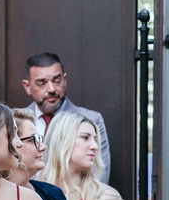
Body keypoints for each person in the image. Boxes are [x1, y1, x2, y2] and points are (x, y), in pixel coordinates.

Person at [17, 52, 112, 184]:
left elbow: (99, 175)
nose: (51, 89)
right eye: (41, 83)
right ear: (27, 86)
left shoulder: (91, 119)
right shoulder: (16, 121)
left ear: (65, 80)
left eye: (57, 81)